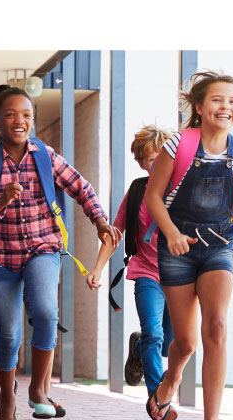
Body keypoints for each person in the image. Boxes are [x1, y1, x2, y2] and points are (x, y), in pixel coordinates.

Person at [0, 85, 120, 420]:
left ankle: (39, 388)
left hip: (43, 248)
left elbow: (81, 186)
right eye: (10, 115)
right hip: (1, 258)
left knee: (47, 311)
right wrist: (1, 201)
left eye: (26, 115)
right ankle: (6, 396)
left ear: (33, 121)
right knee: (9, 335)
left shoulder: (45, 155)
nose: (19, 121)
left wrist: (99, 220)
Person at [143, 72, 233, 420]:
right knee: (185, 342)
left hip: (219, 246)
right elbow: (152, 196)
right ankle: (171, 379)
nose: (226, 107)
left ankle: (211, 417)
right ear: (200, 107)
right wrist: (170, 233)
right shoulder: (180, 144)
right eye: (217, 99)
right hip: (177, 248)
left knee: (216, 327)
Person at [86, 125, 175, 398]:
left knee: (169, 344)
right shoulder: (138, 190)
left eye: (148, 158)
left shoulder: (183, 189)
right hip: (147, 272)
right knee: (154, 334)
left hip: (180, 276)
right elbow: (115, 233)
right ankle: (156, 399)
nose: (143, 164)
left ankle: (137, 349)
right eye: (139, 159)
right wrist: (97, 269)